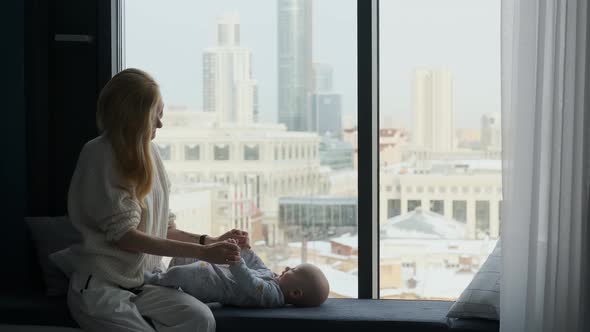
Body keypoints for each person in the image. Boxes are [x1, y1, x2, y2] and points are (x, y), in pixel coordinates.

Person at [66, 68, 248, 332]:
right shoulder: (98, 155)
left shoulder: (150, 154)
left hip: (143, 283)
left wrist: (211, 241)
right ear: (134, 118)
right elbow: (125, 237)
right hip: (100, 286)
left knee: (201, 318)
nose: (160, 124)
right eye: (156, 116)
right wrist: (202, 253)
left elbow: (164, 228)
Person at [144, 239, 330, 308]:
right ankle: (162, 275)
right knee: (182, 260)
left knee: (180, 274)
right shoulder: (273, 278)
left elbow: (249, 282)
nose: (288, 268)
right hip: (212, 272)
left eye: (293, 270)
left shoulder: (271, 296)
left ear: (295, 293)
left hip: (211, 284)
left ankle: (150, 279)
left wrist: (238, 262)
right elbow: (257, 265)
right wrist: (247, 251)